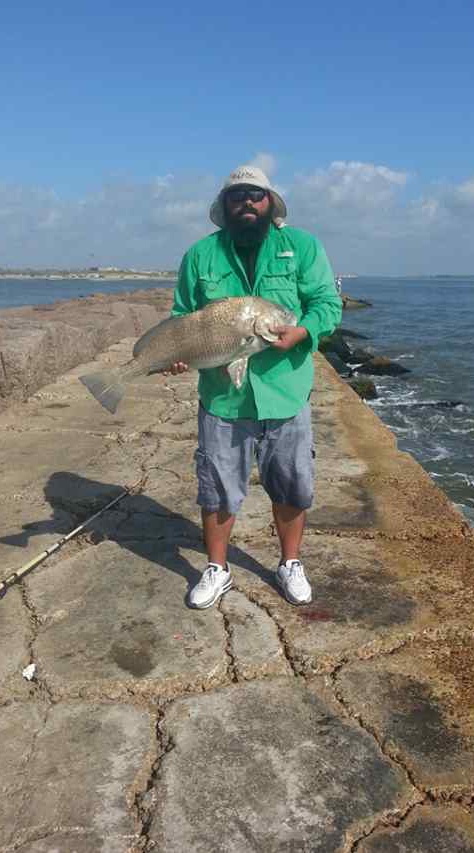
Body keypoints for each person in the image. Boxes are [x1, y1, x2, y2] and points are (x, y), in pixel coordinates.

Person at [168, 165, 341, 609]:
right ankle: (217, 568)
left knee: (292, 486)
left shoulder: (302, 247)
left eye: (256, 195)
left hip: (287, 392)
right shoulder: (199, 255)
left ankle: (289, 563)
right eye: (238, 195)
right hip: (223, 400)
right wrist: (175, 354)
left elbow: (326, 304)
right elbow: (183, 317)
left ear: (270, 203)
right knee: (217, 488)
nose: (247, 201)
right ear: (225, 206)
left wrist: (302, 332)